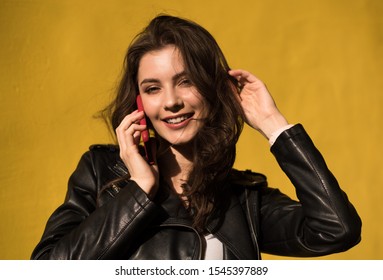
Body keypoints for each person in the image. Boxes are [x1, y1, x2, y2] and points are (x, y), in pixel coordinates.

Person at [31, 15, 361, 260]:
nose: (171, 101)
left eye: (186, 81)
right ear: (139, 103)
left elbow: (336, 230)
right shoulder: (101, 173)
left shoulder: (240, 199)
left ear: (212, 89)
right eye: (152, 88)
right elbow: (46, 267)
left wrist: (274, 125)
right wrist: (139, 190)